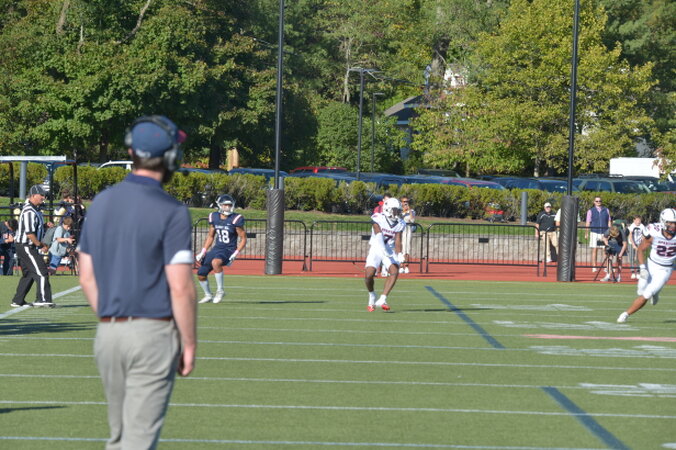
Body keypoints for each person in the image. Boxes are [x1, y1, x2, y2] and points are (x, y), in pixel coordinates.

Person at [78, 115, 197, 449]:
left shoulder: (101, 202)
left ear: (131, 152)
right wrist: (189, 343)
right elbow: (180, 287)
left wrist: (111, 317)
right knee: (138, 440)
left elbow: (86, 276)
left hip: (108, 333)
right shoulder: (172, 210)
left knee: (119, 438)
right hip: (152, 333)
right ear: (171, 158)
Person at [617, 208, 676, 323]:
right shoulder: (654, 232)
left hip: (665, 269)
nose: (673, 226)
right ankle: (656, 292)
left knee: (647, 294)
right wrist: (642, 267)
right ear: (663, 222)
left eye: (675, 223)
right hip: (650, 264)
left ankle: (625, 314)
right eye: (670, 223)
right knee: (640, 291)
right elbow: (640, 249)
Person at [196, 194, 247, 304]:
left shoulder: (236, 219)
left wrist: (235, 253)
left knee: (216, 262)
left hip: (228, 249)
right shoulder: (214, 217)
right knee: (201, 273)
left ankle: (220, 291)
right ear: (219, 205)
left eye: (229, 205)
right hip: (217, 248)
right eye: (225, 205)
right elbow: (210, 236)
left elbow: (243, 238)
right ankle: (208, 295)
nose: (227, 207)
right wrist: (203, 251)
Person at [10, 185, 54, 307]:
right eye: (41, 195)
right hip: (26, 246)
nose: (43, 198)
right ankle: (43, 299)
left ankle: (18, 300)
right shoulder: (29, 211)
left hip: (26, 245)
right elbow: (29, 233)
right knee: (41, 271)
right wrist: (40, 245)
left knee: (29, 274)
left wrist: (44, 226)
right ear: (33, 195)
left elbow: (32, 229)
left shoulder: (35, 210)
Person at [365, 197, 406, 311]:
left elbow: (398, 240)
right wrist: (383, 250)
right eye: (395, 210)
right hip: (376, 248)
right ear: (388, 209)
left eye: (398, 210)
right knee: (369, 275)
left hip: (389, 249)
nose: (397, 212)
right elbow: (378, 234)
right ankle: (372, 294)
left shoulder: (400, 223)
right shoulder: (378, 218)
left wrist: (399, 253)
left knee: (394, 271)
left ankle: (383, 298)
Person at [585, 197, 611, 272]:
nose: (598, 202)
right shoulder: (590, 211)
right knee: (594, 249)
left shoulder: (606, 210)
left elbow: (609, 221)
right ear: (594, 202)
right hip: (594, 232)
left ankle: (606, 267)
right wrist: (586, 233)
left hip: (604, 233)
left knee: (605, 250)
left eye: (600, 201)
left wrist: (609, 232)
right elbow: (588, 222)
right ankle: (594, 266)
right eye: (597, 201)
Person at [399, 196, 415, 274]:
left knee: (407, 249)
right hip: (400, 231)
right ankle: (401, 265)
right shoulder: (399, 211)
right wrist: (404, 212)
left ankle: (406, 266)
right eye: (404, 201)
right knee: (400, 249)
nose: (405, 203)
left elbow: (412, 220)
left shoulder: (412, 211)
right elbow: (398, 219)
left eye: (407, 202)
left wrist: (409, 211)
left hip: (407, 231)